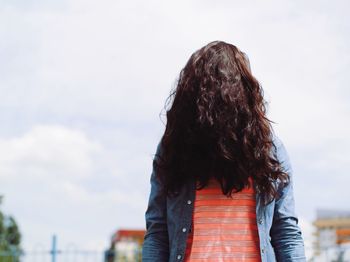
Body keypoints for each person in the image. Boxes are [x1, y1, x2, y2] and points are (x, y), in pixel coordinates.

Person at [142, 41, 306, 262]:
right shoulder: (174, 149)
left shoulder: (268, 150)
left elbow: (286, 232)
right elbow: (158, 232)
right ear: (245, 91)